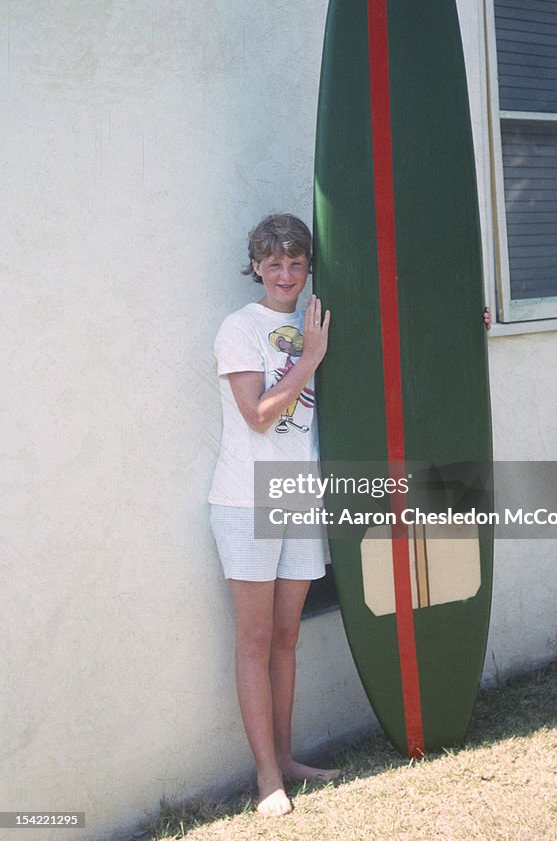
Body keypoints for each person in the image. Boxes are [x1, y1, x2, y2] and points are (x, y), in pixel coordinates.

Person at [208, 213, 339, 817]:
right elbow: (258, 414)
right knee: (256, 639)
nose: (286, 274)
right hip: (246, 499)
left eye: (296, 262)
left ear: (307, 266)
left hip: (297, 492)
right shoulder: (240, 328)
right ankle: (266, 779)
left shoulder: (316, 317)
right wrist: (309, 358)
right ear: (256, 266)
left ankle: (287, 760)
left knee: (287, 636)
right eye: (274, 263)